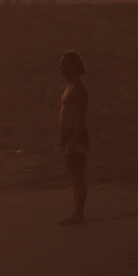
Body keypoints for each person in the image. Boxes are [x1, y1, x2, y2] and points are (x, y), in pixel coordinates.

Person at [57, 50, 89, 225]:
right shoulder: (70, 86)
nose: (61, 67)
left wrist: (74, 140)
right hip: (69, 133)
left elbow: (81, 117)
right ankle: (76, 212)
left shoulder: (79, 88)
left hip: (77, 135)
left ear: (73, 66)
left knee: (78, 175)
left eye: (64, 64)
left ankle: (79, 213)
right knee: (73, 175)